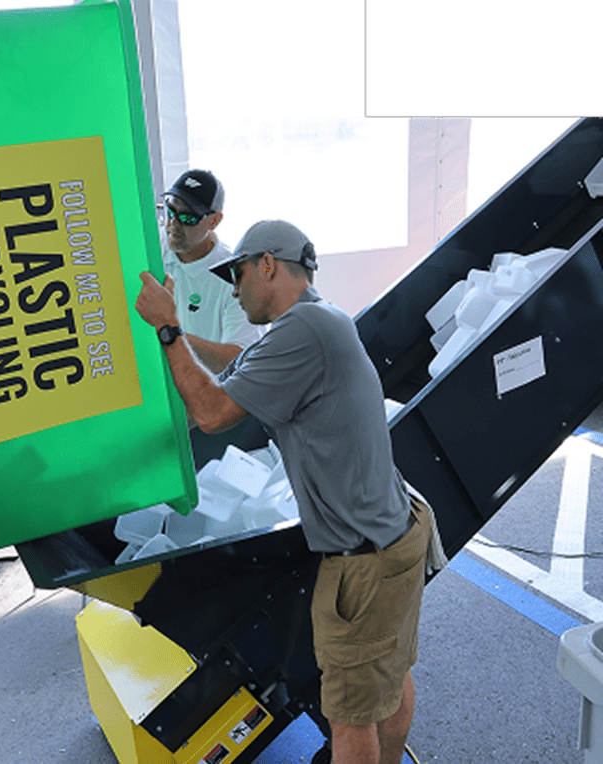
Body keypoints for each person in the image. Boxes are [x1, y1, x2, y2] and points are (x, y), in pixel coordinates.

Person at [135, 219, 431, 764]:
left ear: (267, 265)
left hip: (363, 558)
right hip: (396, 531)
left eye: (237, 274)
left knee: (349, 715)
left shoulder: (302, 332)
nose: (233, 289)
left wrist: (168, 329)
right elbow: (230, 377)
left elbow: (213, 412)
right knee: (387, 678)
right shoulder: (321, 319)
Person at [159, 169, 261, 373]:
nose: (174, 224)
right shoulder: (152, 247)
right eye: (170, 211)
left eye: (188, 218)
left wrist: (171, 335)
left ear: (214, 221)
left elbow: (239, 358)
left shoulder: (234, 277)